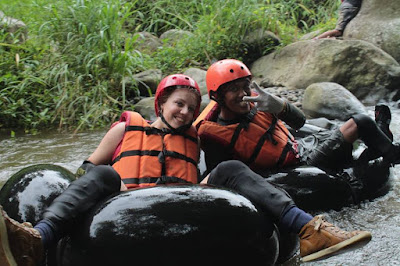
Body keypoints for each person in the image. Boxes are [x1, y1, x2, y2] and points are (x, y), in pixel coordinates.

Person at [0, 73, 371, 265]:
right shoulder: (124, 128)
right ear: (161, 102)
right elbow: (85, 174)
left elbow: (224, 131)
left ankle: (310, 229)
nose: (186, 113)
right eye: (179, 104)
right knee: (104, 175)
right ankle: (36, 241)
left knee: (228, 168)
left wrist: (277, 109)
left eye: (193, 108)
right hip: (117, 212)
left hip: (184, 209)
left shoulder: (197, 137)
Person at [197, 59, 398, 177]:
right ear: (217, 97)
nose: (243, 94)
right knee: (361, 121)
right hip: (301, 167)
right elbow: (222, 174)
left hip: (303, 147)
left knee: (356, 129)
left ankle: (382, 138)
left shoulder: (261, 103)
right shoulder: (216, 134)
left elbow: (300, 122)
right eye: (233, 89)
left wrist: (282, 107)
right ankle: (393, 152)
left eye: (245, 86)